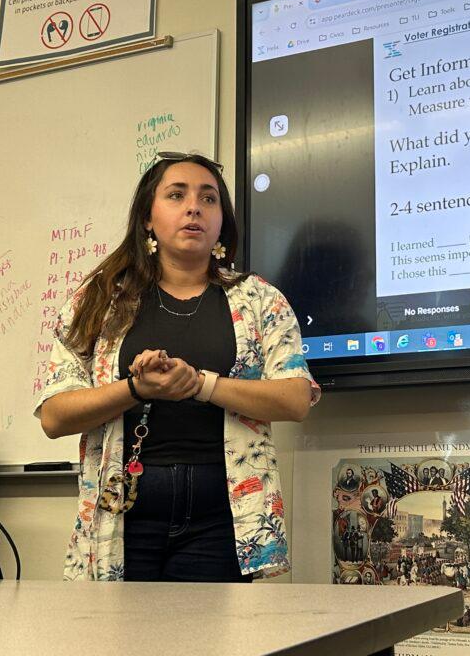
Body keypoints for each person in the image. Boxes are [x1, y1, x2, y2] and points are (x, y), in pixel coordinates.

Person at [36, 152, 320, 582]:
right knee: (117, 646)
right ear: (148, 218)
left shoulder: (260, 299)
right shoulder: (98, 301)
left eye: (209, 199)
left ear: (222, 221)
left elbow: (296, 398)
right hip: (123, 515)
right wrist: (135, 388)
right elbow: (55, 416)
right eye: (176, 195)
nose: (194, 207)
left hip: (223, 518)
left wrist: (201, 384)